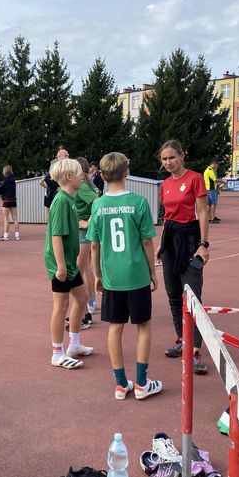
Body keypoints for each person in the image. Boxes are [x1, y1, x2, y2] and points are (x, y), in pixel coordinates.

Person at [87, 152, 162, 400]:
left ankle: (121, 384)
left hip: (112, 277)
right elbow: (147, 242)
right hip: (136, 275)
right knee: (143, 325)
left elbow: (95, 246)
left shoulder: (97, 205)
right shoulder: (138, 203)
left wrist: (97, 275)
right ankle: (141, 383)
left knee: (115, 326)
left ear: (103, 176)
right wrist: (152, 271)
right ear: (125, 172)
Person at [157, 139, 209, 374]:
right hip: (170, 239)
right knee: (173, 294)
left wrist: (204, 244)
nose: (168, 162)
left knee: (192, 296)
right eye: (164, 159)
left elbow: (203, 212)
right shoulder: (165, 184)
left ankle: (196, 349)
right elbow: (167, 216)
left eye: (172, 157)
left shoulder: (195, 178)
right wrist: (161, 244)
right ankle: (181, 338)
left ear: (182, 156)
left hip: (190, 239)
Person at [44, 158, 94, 369]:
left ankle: (74, 344)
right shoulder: (61, 201)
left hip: (70, 262)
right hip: (60, 264)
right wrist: (61, 266)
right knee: (61, 305)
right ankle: (57, 353)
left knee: (81, 300)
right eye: (78, 173)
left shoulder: (70, 199)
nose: (82, 176)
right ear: (67, 177)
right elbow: (56, 236)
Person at [74, 157, 100, 325]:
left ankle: (85, 309)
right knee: (86, 270)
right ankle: (90, 303)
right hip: (84, 231)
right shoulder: (87, 184)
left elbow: (98, 202)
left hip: (83, 232)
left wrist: (88, 222)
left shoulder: (83, 186)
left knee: (80, 270)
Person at [39, 148, 70, 222]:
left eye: (68, 156)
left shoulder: (65, 167)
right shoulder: (56, 166)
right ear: (59, 157)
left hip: (56, 195)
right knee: (53, 217)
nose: (68, 158)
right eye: (65, 156)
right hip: (52, 196)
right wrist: (56, 187)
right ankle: (50, 231)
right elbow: (46, 178)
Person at [0, 165, 20, 241]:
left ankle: (6, 235)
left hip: (6, 200)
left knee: (6, 218)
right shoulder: (13, 180)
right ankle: (17, 235)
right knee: (15, 218)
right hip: (13, 200)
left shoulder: (5, 180)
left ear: (4, 172)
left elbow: (0, 189)